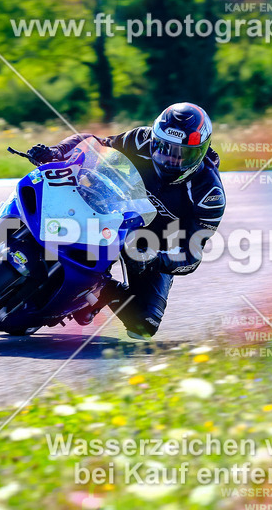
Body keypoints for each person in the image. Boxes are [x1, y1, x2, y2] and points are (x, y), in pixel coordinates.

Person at [27, 102, 225, 339]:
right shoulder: (140, 140)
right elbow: (94, 143)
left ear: (202, 151)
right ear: (154, 138)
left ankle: (102, 291)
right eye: (163, 148)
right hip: (107, 211)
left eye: (182, 154)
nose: (170, 159)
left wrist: (157, 260)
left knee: (144, 325)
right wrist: (57, 152)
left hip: (151, 246)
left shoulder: (209, 194)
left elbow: (192, 256)